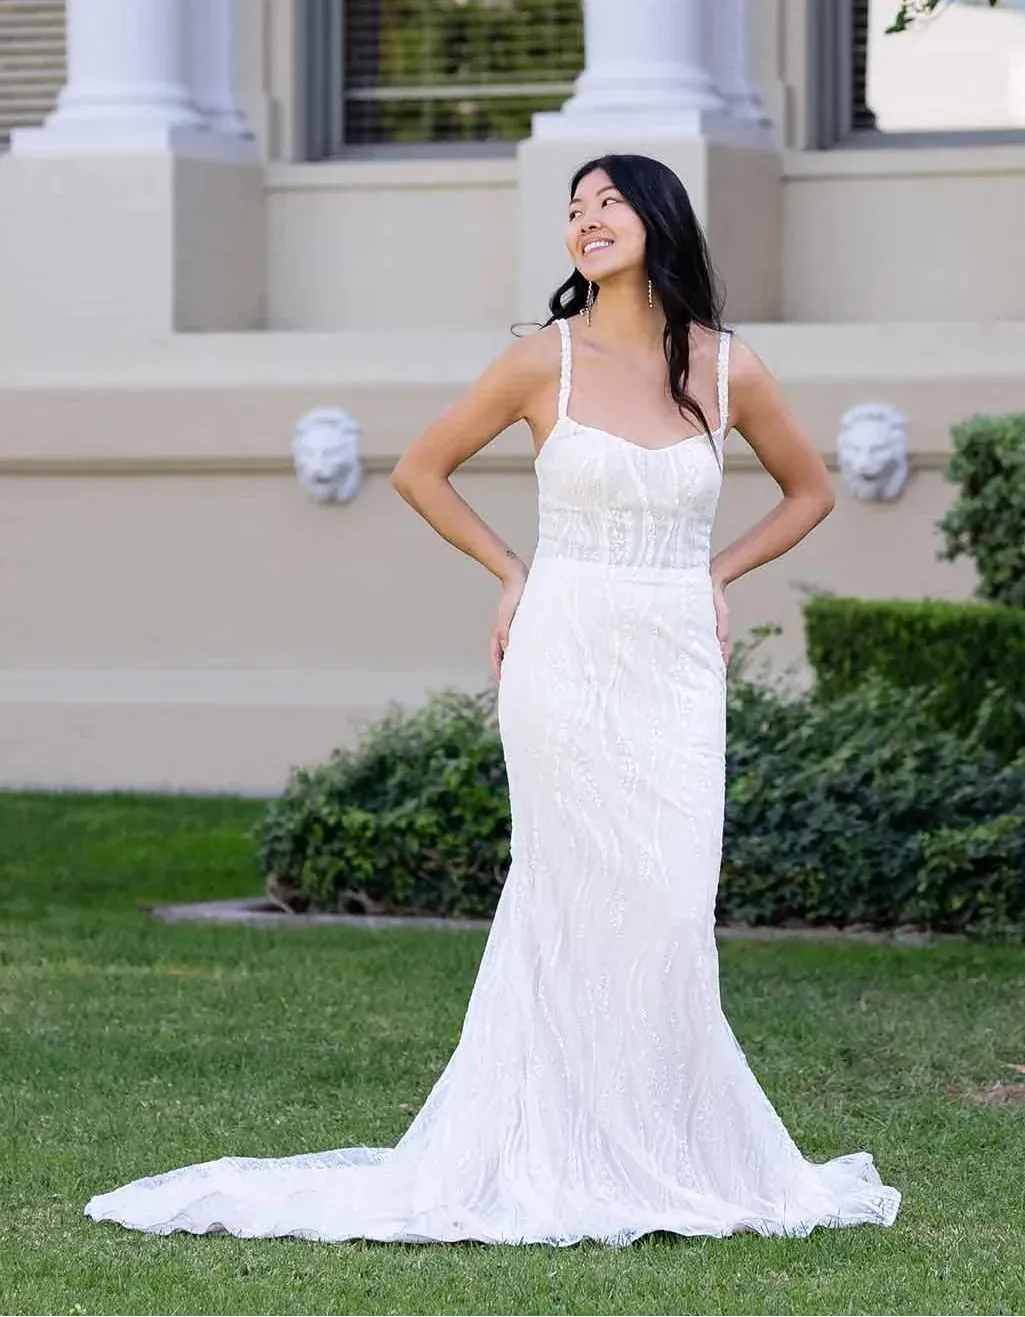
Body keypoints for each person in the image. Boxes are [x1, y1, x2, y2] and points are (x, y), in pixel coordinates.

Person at [84, 153, 900, 1245]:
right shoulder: (538, 363)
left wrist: (715, 572)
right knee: (567, 899)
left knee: (665, 907)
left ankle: (664, 1147)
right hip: (563, 648)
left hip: (672, 660)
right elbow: (423, 471)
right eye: (574, 210)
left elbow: (812, 491)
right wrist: (513, 574)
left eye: (608, 202)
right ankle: (557, 1147)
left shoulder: (729, 366)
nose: (587, 221)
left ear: (660, 219)